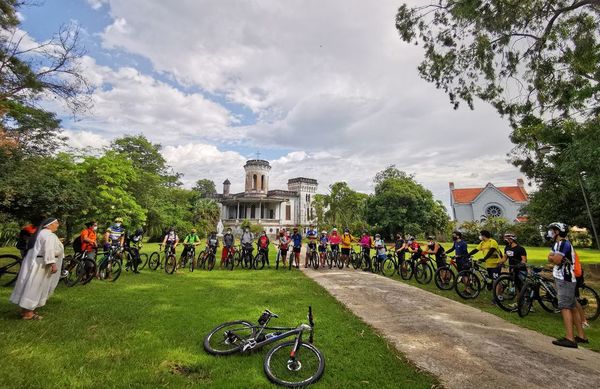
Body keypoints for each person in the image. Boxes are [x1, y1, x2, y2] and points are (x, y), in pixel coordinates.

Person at [10, 218, 64, 320]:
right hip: (41, 265)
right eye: (56, 223)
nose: (58, 225)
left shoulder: (41, 233)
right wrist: (52, 263)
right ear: (49, 225)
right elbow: (49, 250)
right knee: (35, 286)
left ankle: (26, 310)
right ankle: (28, 313)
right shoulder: (48, 235)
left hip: (36, 262)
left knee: (29, 285)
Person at [546, 222, 588, 348]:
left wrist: (553, 257)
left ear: (557, 232)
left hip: (565, 279)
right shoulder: (558, 244)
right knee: (573, 306)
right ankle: (581, 336)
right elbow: (550, 257)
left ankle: (570, 337)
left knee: (565, 307)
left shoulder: (563, 244)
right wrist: (552, 257)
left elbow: (556, 260)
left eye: (552, 230)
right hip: (564, 278)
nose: (550, 232)